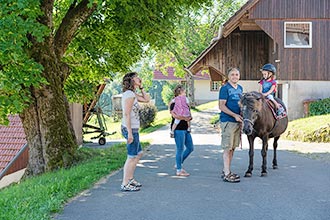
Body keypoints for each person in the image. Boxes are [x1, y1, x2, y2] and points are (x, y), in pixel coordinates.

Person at [120, 72, 150, 192]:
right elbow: (126, 114)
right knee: (132, 156)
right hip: (130, 128)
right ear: (132, 80)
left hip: (133, 128)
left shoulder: (132, 94)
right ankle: (125, 183)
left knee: (138, 154)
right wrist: (130, 133)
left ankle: (130, 179)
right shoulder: (129, 95)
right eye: (137, 77)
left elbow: (146, 99)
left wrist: (142, 87)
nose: (139, 78)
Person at [218, 67, 243, 183]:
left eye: (236, 74)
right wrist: (234, 115)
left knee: (232, 148)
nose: (235, 76)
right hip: (228, 121)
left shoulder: (240, 88)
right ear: (229, 76)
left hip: (237, 122)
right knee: (227, 148)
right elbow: (221, 106)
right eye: (232, 74)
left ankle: (226, 170)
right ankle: (227, 174)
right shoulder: (224, 88)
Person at [170, 85, 194, 176]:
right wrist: (185, 118)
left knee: (190, 148)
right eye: (183, 91)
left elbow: (189, 113)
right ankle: (179, 170)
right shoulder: (173, 102)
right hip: (178, 129)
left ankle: (178, 163)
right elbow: (174, 115)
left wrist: (189, 120)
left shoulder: (185, 101)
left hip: (186, 128)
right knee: (180, 149)